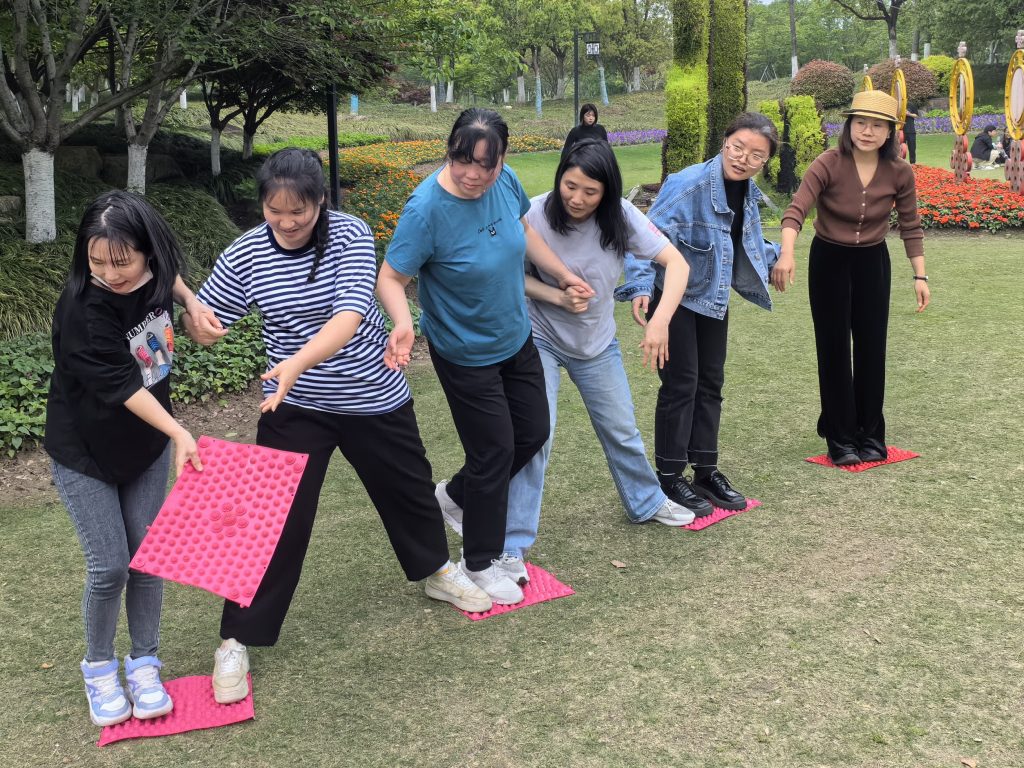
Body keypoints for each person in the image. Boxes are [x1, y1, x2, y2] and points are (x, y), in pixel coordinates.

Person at [184, 148, 491, 706]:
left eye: (298, 211)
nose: (286, 222)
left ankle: (436, 571)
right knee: (270, 520)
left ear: (320, 201)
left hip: (371, 394)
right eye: (274, 212)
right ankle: (235, 638)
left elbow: (348, 316)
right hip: (293, 404)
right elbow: (209, 315)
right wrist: (199, 323)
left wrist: (294, 366)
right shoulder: (248, 251)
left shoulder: (348, 234)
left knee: (408, 492)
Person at [377, 108, 594, 601]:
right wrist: (405, 323)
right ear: (450, 150)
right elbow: (390, 277)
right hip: (464, 350)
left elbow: (525, 232)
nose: (473, 174)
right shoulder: (425, 210)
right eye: (462, 160)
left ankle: (454, 496)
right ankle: (478, 562)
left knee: (533, 431)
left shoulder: (505, 181)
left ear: (503, 160)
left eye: (486, 164)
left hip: (514, 337)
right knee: (493, 450)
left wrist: (561, 275)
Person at [46, 191, 206, 726]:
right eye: (96, 261)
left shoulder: (155, 272)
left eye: (122, 261)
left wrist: (190, 301)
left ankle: (144, 662)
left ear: (146, 252)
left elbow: (170, 275)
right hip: (85, 450)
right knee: (111, 565)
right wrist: (181, 433)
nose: (110, 273)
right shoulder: (82, 311)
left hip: (144, 444)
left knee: (150, 557)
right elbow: (121, 385)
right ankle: (98, 669)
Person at [499, 139, 694, 578]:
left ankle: (645, 501)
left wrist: (661, 320)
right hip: (539, 336)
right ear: (559, 179)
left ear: (607, 191)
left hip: (597, 340)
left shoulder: (622, 217)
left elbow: (676, 264)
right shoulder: (531, 213)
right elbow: (508, 274)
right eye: (570, 186)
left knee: (621, 427)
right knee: (536, 436)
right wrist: (555, 295)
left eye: (591, 191)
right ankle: (511, 544)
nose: (577, 198)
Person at [616, 113, 783, 515]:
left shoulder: (747, 190)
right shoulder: (688, 183)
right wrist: (640, 286)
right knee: (681, 385)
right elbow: (645, 234)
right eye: (737, 147)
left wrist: (775, 258)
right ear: (725, 142)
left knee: (710, 382)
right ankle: (670, 477)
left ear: (764, 162)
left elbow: (744, 239)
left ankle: (705, 471)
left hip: (710, 297)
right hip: (672, 298)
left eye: (755, 155)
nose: (743, 159)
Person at [773, 90, 929, 465]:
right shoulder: (827, 163)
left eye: (878, 125)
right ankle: (840, 436)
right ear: (849, 125)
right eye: (861, 122)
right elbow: (796, 210)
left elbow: (911, 225)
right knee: (834, 348)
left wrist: (919, 276)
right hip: (829, 260)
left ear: (891, 132)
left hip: (872, 263)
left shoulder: (900, 172)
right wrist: (787, 252)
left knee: (872, 347)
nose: (868, 131)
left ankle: (871, 434)